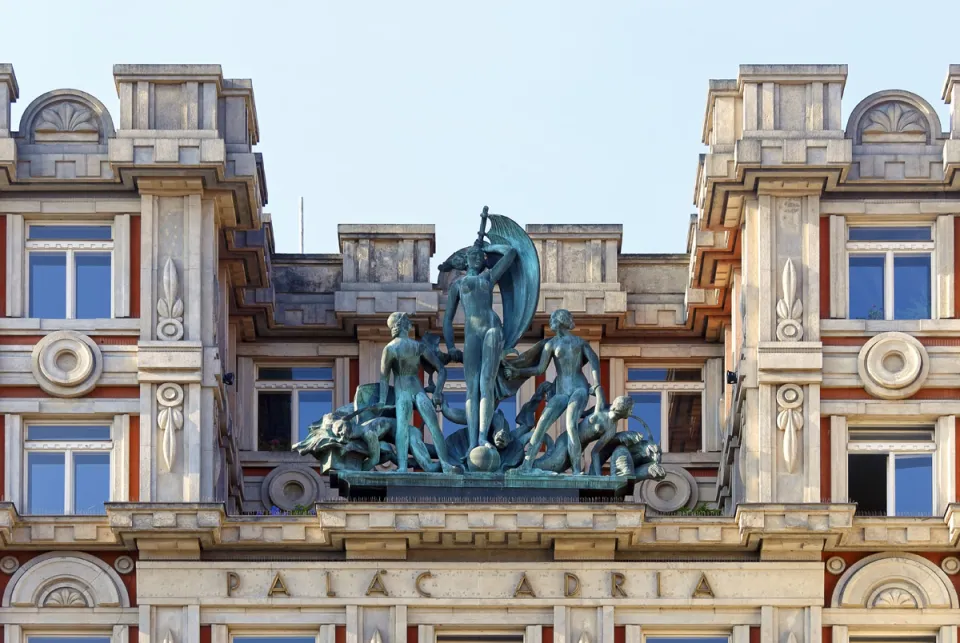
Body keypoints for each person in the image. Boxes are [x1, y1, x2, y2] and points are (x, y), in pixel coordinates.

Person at [442, 230, 518, 451]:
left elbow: (511, 253)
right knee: (471, 390)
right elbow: (447, 319)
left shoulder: (488, 277)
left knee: (486, 385)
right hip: (471, 335)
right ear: (465, 261)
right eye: (472, 255)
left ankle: (483, 437)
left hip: (491, 330)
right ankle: (474, 442)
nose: (477, 257)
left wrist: (487, 248)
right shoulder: (458, 284)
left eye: (480, 256)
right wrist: (449, 346)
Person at [503, 309, 601, 475]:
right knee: (542, 424)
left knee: (571, 425)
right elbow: (539, 369)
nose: (552, 322)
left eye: (554, 319)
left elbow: (594, 362)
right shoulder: (551, 344)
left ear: (561, 321)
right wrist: (517, 372)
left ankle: (577, 470)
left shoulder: (579, 342)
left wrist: (597, 386)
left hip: (579, 388)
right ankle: (526, 465)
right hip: (562, 391)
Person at [378, 312, 462, 474]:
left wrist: (382, 401)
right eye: (407, 320)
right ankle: (441, 465)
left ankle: (408, 467)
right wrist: (437, 391)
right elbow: (441, 370)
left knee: (412, 428)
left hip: (405, 392)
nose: (411, 322)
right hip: (413, 392)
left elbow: (384, 378)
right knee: (430, 427)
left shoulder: (393, 348)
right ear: (402, 324)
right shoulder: (409, 347)